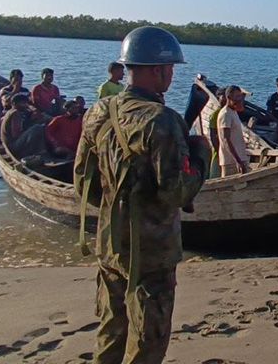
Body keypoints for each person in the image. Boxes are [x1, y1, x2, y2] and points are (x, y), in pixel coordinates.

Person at [73, 26, 205, 364]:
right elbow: (176, 192)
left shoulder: (98, 112)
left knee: (110, 332)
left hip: (110, 246)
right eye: (170, 68)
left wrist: (117, 209)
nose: (172, 75)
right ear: (157, 69)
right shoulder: (162, 121)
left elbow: (81, 183)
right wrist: (202, 157)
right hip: (151, 255)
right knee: (148, 342)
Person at [0, 93, 47, 159]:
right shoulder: (16, 113)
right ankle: (40, 151)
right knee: (38, 128)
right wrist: (30, 126)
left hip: (11, 144)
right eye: (23, 103)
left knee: (39, 124)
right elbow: (16, 134)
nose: (25, 105)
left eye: (26, 103)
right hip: (12, 146)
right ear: (14, 103)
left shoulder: (10, 111)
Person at [218, 86, 250, 176]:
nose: (239, 99)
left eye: (240, 96)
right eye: (236, 97)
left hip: (240, 158)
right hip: (231, 162)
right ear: (229, 98)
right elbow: (225, 139)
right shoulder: (225, 114)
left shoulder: (233, 112)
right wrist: (237, 161)